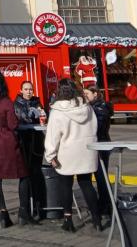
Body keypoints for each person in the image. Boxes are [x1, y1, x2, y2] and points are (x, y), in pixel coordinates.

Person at [44, 78, 103, 233]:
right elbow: (94, 127)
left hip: (67, 153)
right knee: (87, 184)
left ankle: (68, 220)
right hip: (86, 151)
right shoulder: (86, 106)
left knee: (65, 186)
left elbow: (52, 136)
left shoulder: (57, 111)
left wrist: (51, 156)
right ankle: (97, 219)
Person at [0, 68, 33, 228]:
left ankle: (4, 214)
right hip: (8, 142)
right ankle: (23, 212)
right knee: (23, 175)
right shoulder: (6, 102)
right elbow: (12, 124)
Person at [13, 81, 46, 221]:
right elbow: (23, 119)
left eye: (31, 89)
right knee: (25, 176)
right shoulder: (17, 104)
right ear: (21, 90)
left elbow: (43, 117)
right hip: (23, 144)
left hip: (37, 143)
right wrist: (34, 115)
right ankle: (24, 210)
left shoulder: (37, 102)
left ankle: (40, 207)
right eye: (26, 89)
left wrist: (41, 113)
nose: (29, 92)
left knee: (37, 174)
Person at [84, 85, 113, 221]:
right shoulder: (94, 107)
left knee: (101, 177)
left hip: (101, 144)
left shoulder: (101, 108)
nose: (85, 96)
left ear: (95, 94)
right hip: (98, 144)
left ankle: (105, 206)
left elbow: (99, 126)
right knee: (99, 176)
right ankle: (102, 205)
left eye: (87, 93)